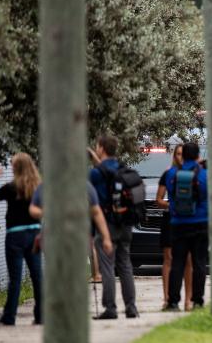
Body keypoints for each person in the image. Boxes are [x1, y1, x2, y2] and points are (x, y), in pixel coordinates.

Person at [0, 153, 43, 326]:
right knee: (37, 276)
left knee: (15, 278)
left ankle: (9, 316)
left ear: (16, 168)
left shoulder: (12, 187)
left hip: (15, 236)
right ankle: (41, 315)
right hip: (35, 234)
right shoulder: (38, 187)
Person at [88, 135, 138, 320]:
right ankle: (131, 307)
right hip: (125, 223)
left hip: (106, 224)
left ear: (101, 148)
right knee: (125, 265)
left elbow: (90, 197)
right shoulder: (122, 169)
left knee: (107, 267)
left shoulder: (95, 173)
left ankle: (110, 308)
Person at [162, 142, 208, 311]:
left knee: (177, 263)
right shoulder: (204, 175)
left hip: (178, 223)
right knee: (199, 263)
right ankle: (197, 301)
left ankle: (173, 301)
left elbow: (170, 195)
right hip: (200, 223)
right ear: (197, 156)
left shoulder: (171, 174)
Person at [28, 181, 113, 257]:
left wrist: (106, 238)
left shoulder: (84, 185)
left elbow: (96, 212)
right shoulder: (48, 185)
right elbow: (33, 208)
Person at [155, 145, 192, 311]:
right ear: (174, 156)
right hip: (170, 219)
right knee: (168, 258)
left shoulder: (193, 174)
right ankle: (167, 298)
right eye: (177, 154)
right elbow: (159, 199)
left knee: (188, 260)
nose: (180, 157)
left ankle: (188, 300)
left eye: (183, 154)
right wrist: (172, 206)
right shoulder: (167, 174)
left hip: (188, 220)